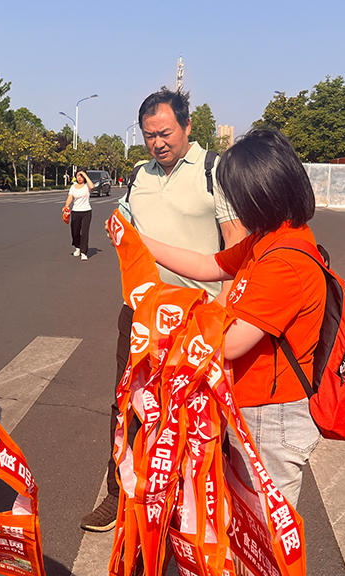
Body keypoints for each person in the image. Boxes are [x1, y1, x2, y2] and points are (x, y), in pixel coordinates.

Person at [80, 87, 246, 532]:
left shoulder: (217, 170)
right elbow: (125, 222)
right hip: (142, 312)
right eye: (149, 135)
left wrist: (226, 311)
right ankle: (119, 495)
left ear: (188, 127)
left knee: (199, 410)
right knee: (128, 403)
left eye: (165, 132)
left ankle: (204, 501)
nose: (158, 142)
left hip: (199, 313)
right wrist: (119, 227)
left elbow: (235, 244)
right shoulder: (139, 174)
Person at [133, 129, 325, 508]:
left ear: (261, 194)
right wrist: (140, 242)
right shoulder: (266, 240)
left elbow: (233, 342)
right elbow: (208, 264)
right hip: (250, 408)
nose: (233, 206)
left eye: (236, 196)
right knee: (243, 525)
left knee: (265, 532)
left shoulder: (285, 260)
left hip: (272, 417)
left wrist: (171, 326)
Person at [65, 170, 94, 261]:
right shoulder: (73, 187)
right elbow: (70, 197)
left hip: (86, 211)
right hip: (76, 211)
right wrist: (66, 206)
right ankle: (77, 247)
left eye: (81, 176)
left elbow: (92, 186)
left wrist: (85, 175)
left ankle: (83, 252)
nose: (79, 177)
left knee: (85, 232)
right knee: (75, 231)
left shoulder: (86, 186)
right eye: (78, 175)